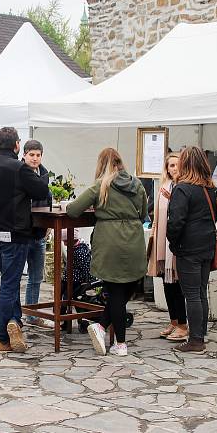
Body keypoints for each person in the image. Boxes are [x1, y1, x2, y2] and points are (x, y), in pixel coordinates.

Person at [68, 148, 148, 358]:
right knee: (124, 290)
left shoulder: (101, 185)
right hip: (134, 238)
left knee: (115, 293)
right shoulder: (137, 184)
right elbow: (144, 214)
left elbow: (73, 210)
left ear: (102, 164)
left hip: (109, 240)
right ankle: (106, 330)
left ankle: (112, 336)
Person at [0, 127, 49, 353]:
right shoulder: (20, 168)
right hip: (15, 234)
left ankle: (15, 322)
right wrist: (44, 172)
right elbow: (40, 190)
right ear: (17, 145)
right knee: (9, 284)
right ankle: (0, 336)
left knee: (9, 281)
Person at [167, 146, 217, 354]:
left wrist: (172, 242)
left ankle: (196, 340)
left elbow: (175, 222)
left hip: (188, 248)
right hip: (207, 246)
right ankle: (200, 333)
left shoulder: (183, 188)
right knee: (200, 292)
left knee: (192, 295)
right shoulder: (209, 188)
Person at [147, 152, 188, 342]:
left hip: (177, 243)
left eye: (177, 164)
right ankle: (173, 321)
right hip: (163, 242)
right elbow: (156, 215)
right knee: (166, 282)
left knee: (177, 284)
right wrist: (154, 237)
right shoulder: (163, 187)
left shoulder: (184, 188)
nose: (174, 168)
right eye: (171, 165)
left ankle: (182, 323)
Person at [21, 139, 53, 329]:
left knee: (36, 277)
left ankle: (32, 315)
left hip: (39, 233)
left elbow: (47, 198)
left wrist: (47, 224)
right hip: (22, 233)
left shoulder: (44, 175)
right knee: (15, 277)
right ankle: (14, 313)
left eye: (38, 155)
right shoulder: (19, 173)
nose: (34, 158)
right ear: (24, 154)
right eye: (31, 155)